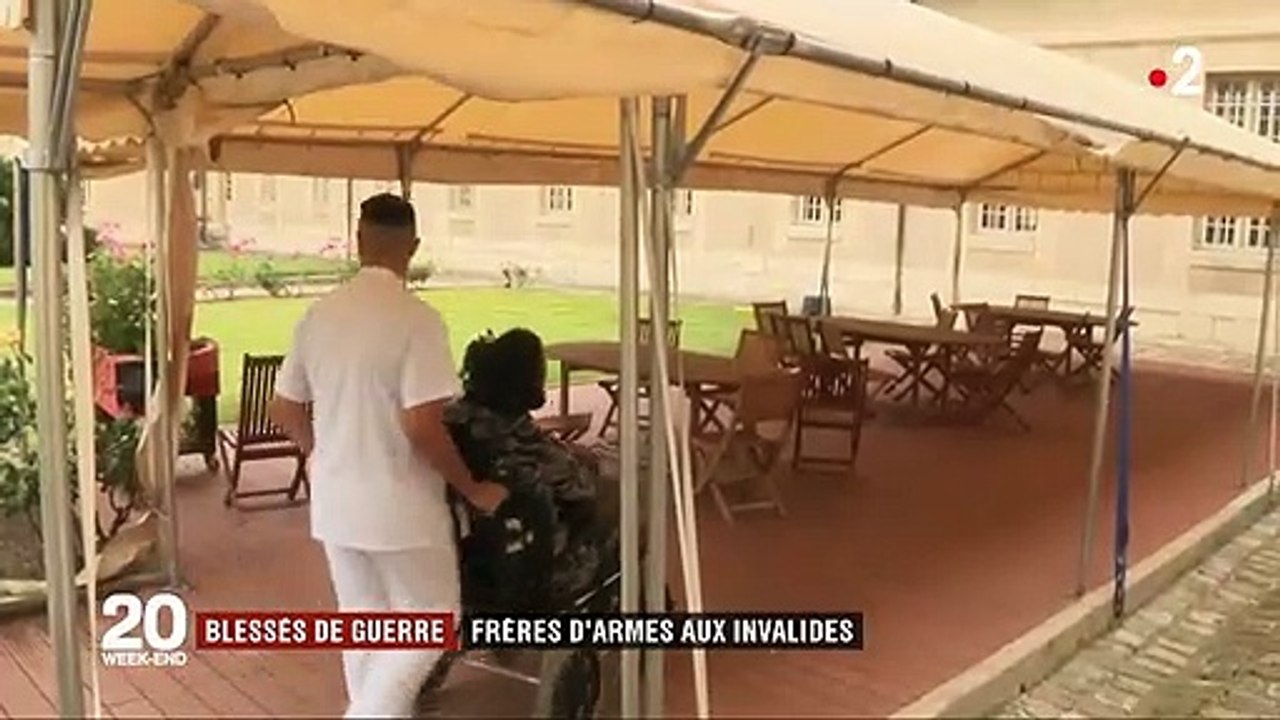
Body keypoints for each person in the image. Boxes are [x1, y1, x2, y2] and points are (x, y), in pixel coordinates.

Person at [267, 193, 507, 718]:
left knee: (367, 623)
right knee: (430, 621)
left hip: (334, 501)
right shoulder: (417, 321)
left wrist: (318, 454)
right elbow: (423, 424)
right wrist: (472, 489)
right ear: (413, 246)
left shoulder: (319, 315)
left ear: (358, 240)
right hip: (400, 508)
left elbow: (284, 407)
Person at [444, 328, 617, 610]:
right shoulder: (526, 450)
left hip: (464, 556)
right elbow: (580, 488)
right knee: (617, 504)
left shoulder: (453, 421)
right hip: (527, 564)